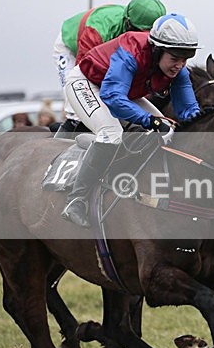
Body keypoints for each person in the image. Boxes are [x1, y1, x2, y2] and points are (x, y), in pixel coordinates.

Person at [61, 12, 202, 227]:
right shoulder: (131, 52)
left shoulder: (178, 70)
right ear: (157, 50)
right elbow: (112, 97)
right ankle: (76, 200)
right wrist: (151, 122)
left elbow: (189, 112)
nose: (179, 66)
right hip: (88, 84)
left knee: (169, 130)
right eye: (174, 59)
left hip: (120, 90)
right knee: (111, 134)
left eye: (185, 60)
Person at [53, 0, 167, 133]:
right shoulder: (98, 31)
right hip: (71, 47)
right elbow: (85, 71)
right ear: (127, 23)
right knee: (76, 110)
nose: (141, 39)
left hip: (102, 52)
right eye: (138, 32)